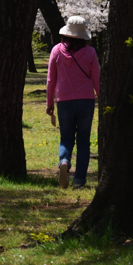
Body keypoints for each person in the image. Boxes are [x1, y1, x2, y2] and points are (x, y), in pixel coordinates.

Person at [45, 16, 100, 190]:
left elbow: (50, 80)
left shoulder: (56, 50)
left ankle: (64, 161)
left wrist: (49, 103)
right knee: (83, 141)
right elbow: (97, 78)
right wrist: (102, 98)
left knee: (66, 138)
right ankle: (79, 180)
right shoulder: (90, 52)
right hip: (86, 100)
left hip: (64, 101)